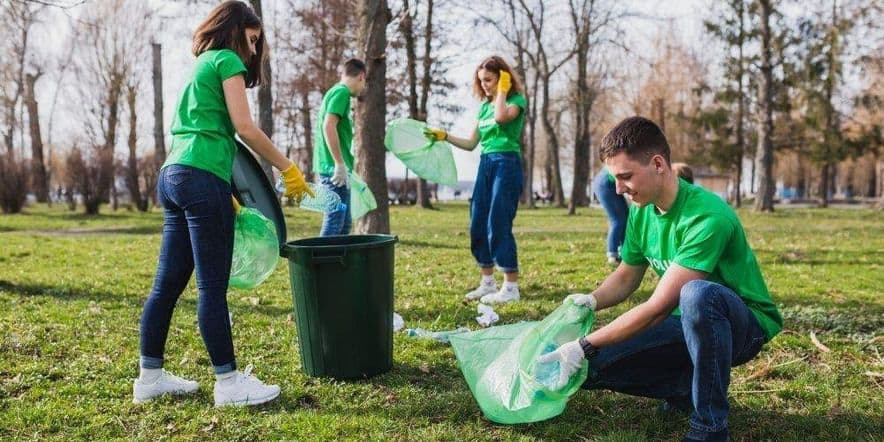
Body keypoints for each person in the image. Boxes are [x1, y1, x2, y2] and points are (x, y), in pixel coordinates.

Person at [537, 117, 782, 441]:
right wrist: (592, 300)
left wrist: (585, 344)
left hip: (743, 326)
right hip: (687, 321)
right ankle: (685, 388)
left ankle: (709, 428)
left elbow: (657, 308)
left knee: (698, 295)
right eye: (615, 179)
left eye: (625, 176)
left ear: (657, 164)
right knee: (591, 367)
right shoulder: (642, 209)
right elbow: (626, 276)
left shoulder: (708, 217)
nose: (618, 189)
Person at [134, 0, 312, 407]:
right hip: (200, 178)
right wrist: (287, 168)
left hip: (175, 174)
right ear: (235, 31)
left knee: (165, 286)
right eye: (252, 40)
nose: (252, 51)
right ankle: (229, 384)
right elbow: (244, 128)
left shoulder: (201, 64)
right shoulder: (227, 59)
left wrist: (225, 193)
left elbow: (208, 132)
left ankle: (150, 377)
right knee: (211, 287)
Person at [424, 56, 527, 304]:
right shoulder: (483, 108)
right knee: (478, 221)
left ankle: (511, 287)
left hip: (507, 163)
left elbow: (502, 117)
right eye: (481, 82)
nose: (485, 86)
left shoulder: (516, 101)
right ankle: (487, 282)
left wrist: (502, 90)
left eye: (489, 80)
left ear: (503, 78)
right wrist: (445, 136)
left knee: (498, 221)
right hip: (486, 163)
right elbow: (471, 144)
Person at [313, 58, 367, 236]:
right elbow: (328, 126)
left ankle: (339, 263)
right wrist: (339, 164)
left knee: (344, 224)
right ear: (361, 76)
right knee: (335, 221)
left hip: (335, 170)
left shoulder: (335, 92)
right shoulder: (341, 93)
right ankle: (321, 263)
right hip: (334, 171)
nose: (363, 87)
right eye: (364, 82)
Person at [592, 165, 628, 265]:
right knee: (618, 220)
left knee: (626, 217)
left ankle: (624, 251)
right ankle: (612, 255)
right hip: (605, 183)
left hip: (609, 182)